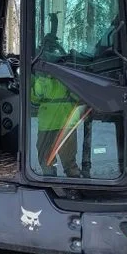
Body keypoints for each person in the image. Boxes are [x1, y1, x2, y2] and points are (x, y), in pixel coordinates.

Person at [30, 27, 84, 178]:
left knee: (56, 161)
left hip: (57, 123)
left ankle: (62, 183)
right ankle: (66, 185)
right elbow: (34, 97)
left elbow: (34, 98)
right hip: (61, 122)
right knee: (60, 162)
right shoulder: (64, 68)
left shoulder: (49, 69)